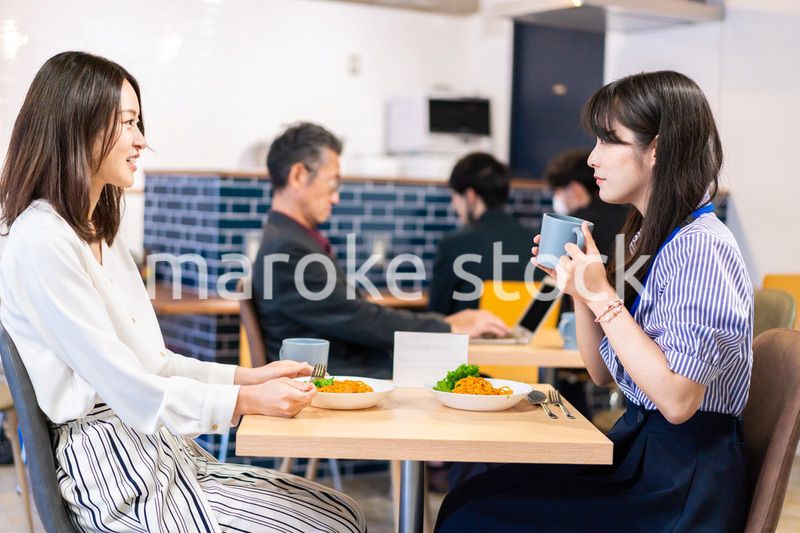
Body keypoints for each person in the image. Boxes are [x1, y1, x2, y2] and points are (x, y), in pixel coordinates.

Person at [0, 51, 366, 532]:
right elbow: (129, 389)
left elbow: (155, 363)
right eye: (128, 123)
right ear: (77, 125)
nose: (141, 140)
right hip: (114, 475)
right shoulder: (41, 241)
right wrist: (245, 403)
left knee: (344, 512)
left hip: (160, 452)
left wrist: (250, 378)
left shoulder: (100, 234)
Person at [435, 70, 753, 532]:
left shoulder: (702, 245)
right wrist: (580, 293)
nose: (592, 157)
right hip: (647, 451)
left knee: (473, 517)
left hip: (681, 482)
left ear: (658, 149)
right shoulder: (654, 236)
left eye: (609, 141)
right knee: (467, 498)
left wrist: (602, 294)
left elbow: (679, 400)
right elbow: (604, 374)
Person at [252, 124, 507, 378]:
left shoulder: (289, 240)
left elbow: (354, 315)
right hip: (346, 380)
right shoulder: (287, 249)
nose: (335, 198)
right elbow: (359, 319)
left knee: (484, 385)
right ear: (298, 176)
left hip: (356, 372)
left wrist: (446, 326)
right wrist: (448, 326)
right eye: (332, 184)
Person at [428, 152, 543, 315]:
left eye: (455, 196)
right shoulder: (538, 242)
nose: (454, 206)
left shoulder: (453, 245)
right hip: (537, 340)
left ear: (470, 196)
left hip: (474, 340)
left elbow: (437, 315)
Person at [542, 148, 629, 260]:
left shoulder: (575, 227)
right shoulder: (627, 215)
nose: (556, 197)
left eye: (557, 192)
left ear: (574, 190)